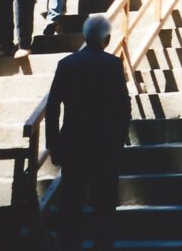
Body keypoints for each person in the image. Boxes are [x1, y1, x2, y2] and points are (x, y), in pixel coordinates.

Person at [45, 14, 131, 251]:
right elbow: (123, 106)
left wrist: (53, 144)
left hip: (73, 144)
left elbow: (52, 108)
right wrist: (121, 138)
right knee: (104, 206)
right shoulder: (113, 65)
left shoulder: (66, 65)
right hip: (105, 145)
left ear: (84, 36)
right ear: (108, 39)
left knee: (71, 205)